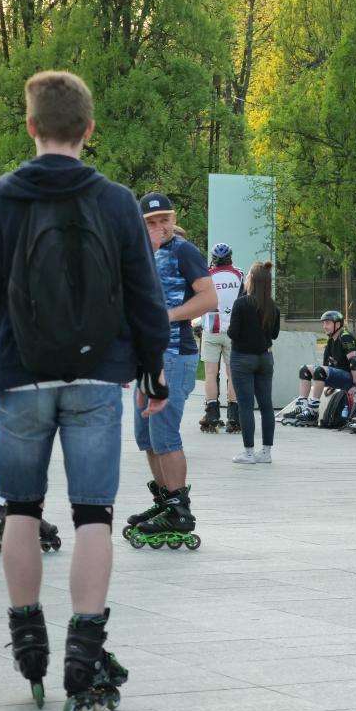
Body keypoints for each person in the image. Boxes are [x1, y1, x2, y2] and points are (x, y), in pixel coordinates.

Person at [0, 70, 169, 711]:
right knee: (94, 517)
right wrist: (152, 373)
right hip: (95, 377)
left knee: (22, 509)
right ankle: (85, 657)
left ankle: (27, 640)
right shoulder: (116, 202)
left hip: (18, 374)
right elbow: (144, 293)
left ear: (30, 126)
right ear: (89, 129)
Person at [126, 191, 216, 546]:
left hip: (174, 353)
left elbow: (209, 299)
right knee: (145, 436)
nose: (160, 226)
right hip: (146, 358)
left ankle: (181, 509)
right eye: (152, 221)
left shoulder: (183, 250)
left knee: (164, 435)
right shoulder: (140, 255)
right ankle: (165, 502)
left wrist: (167, 316)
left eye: (165, 219)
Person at [227, 262, 280, 464]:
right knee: (266, 405)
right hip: (265, 359)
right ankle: (266, 452)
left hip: (242, 358)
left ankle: (248, 452)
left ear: (252, 279)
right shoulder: (273, 306)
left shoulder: (241, 303)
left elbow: (233, 332)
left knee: (246, 406)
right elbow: (274, 335)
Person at [199, 243, 244, 434]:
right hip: (234, 331)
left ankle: (212, 414)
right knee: (232, 374)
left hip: (211, 329)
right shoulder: (239, 274)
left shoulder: (207, 274)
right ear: (230, 257)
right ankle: (234, 416)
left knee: (210, 374)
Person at [290, 310, 356, 425]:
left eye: (328, 323)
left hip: (353, 378)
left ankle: (312, 411)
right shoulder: (331, 341)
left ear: (338, 324)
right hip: (341, 376)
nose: (324, 326)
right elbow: (326, 367)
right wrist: (330, 382)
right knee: (304, 369)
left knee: (319, 371)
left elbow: (354, 361)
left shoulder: (345, 337)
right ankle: (301, 406)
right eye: (324, 323)